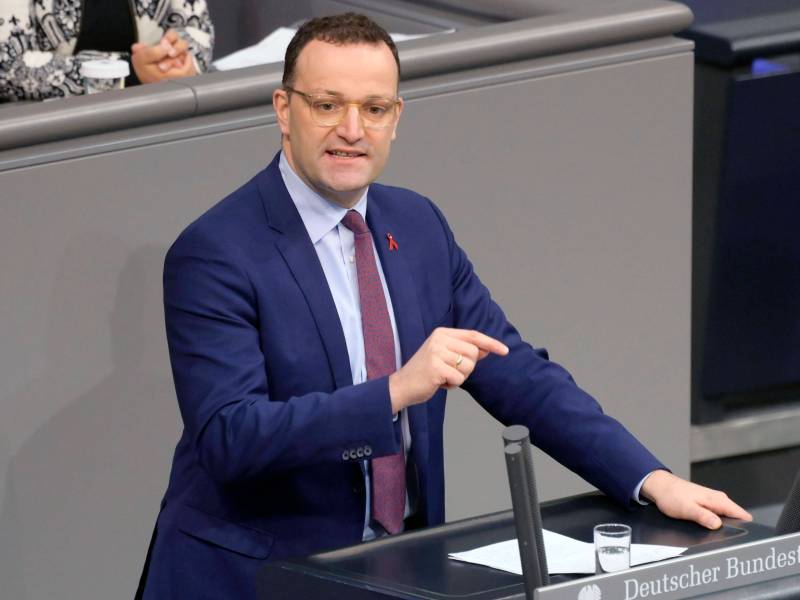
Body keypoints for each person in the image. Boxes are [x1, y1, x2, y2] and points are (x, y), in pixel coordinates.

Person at [136, 13, 751, 600]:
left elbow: (517, 374)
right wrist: (396, 392)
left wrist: (651, 480)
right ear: (283, 109)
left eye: (373, 109)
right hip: (255, 580)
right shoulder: (216, 251)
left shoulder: (418, 225)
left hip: (394, 572)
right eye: (327, 105)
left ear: (396, 118)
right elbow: (230, 437)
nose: (352, 129)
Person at [0, 0, 213, 102]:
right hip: (48, 127)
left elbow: (197, 29)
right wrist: (130, 72)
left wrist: (179, 59)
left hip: (158, 107)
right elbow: (8, 64)